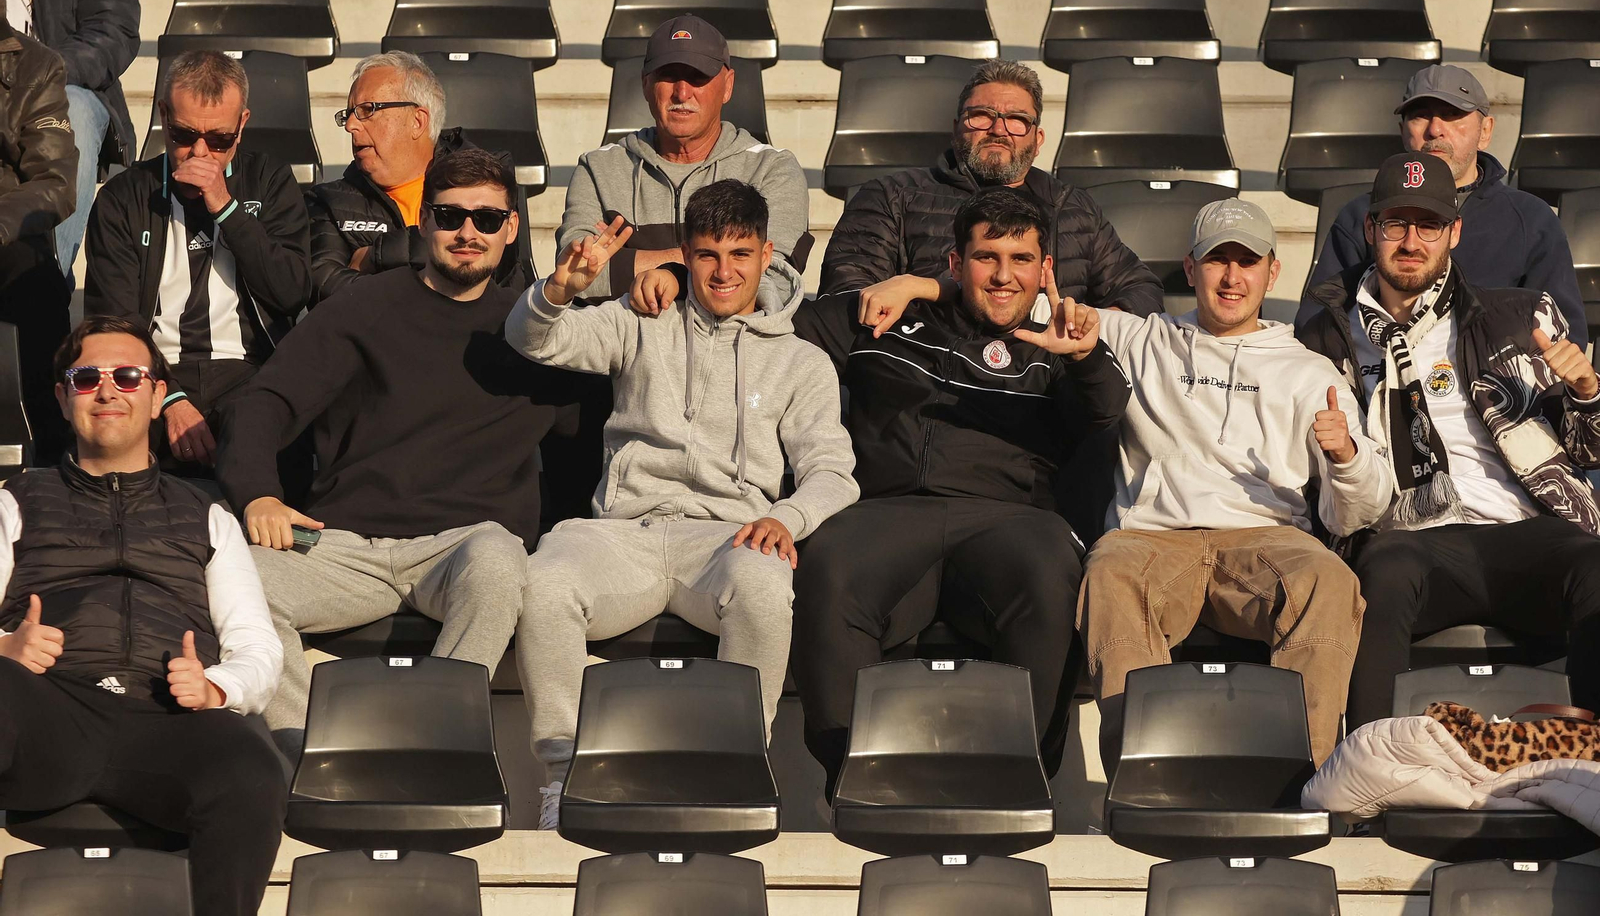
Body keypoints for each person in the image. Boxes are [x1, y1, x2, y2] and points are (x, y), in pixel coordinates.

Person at [507, 178, 859, 828]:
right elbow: (536, 341)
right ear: (685, 256)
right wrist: (560, 288)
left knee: (763, 588)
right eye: (707, 255)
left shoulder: (802, 361)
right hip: (623, 531)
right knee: (546, 580)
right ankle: (563, 777)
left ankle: (736, 771)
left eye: (740, 254)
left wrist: (785, 518)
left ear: (767, 254)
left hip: (730, 536)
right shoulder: (641, 320)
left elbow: (833, 472)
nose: (724, 271)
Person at [215, 148, 576, 758]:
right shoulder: (363, 306)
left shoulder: (540, 330)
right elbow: (263, 403)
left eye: (488, 219)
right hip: (343, 543)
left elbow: (604, 427)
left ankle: (431, 746)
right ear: (423, 222)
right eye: (450, 215)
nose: (468, 233)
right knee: (233, 577)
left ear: (512, 227)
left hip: (462, 550)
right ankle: (311, 756)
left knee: (496, 560)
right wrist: (258, 494)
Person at [784, 187, 1130, 795]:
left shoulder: (1059, 345)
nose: (1003, 276)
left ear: (1045, 269)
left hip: (1009, 521)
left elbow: (1105, 410)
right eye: (985, 258)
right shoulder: (886, 315)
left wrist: (1084, 358)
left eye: (1021, 260)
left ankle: (1020, 782)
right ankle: (853, 781)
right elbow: (767, 317)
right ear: (953, 263)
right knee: (830, 565)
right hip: (888, 513)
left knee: (1050, 572)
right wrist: (682, 275)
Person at [1079, 197, 1391, 772]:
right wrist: (923, 289)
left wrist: (1345, 455)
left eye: (1247, 261)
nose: (1231, 277)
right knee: (1109, 572)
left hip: (1265, 539)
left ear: (1272, 271)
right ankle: (1142, 776)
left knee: (1328, 580)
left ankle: (1299, 780)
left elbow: (1360, 512)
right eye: (1217, 260)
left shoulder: (1308, 371)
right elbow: (1016, 301)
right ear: (1191, 268)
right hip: (1153, 538)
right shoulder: (1141, 337)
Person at [1298, 152, 1600, 730]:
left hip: (1520, 527)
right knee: (1382, 572)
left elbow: (1589, 453)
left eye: (1429, 226)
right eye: (1395, 225)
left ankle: (1589, 775)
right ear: (1370, 230)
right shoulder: (1324, 339)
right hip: (1410, 538)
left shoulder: (1520, 317)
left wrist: (1586, 391)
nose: (1412, 241)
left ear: (1454, 233)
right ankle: (1370, 772)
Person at [0, 315, 284, 916]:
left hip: (166, 724)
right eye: (86, 378)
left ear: (158, 395)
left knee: (252, 766)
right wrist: (4, 650)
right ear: (62, 397)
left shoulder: (210, 516)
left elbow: (258, 648)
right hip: (50, 713)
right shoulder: (15, 500)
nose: (108, 391)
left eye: (128, 376)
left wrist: (214, 687)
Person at [82, 50, 310, 481]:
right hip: (153, 371)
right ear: (163, 116)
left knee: (263, 428)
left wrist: (226, 208)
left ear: (242, 125)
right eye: (185, 135)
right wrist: (169, 399)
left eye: (220, 140)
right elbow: (114, 322)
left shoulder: (271, 181)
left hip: (249, 369)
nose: (201, 153)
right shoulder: (123, 197)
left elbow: (292, 291)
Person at [820, 57, 1162, 315]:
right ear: (956, 129)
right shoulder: (891, 197)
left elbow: (1140, 289)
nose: (998, 130)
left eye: (1016, 120)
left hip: (1047, 386)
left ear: (1037, 138)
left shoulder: (1073, 207)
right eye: (981, 115)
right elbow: (848, 296)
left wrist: (1098, 322)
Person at [1296, 64, 1585, 337]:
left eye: (1451, 114)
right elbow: (1317, 323)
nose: (1435, 130)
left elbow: (1562, 332)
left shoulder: (1531, 219)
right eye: (1420, 115)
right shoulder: (1362, 213)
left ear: (1485, 131)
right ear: (1402, 131)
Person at [556, 14, 810, 301]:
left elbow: (774, 283)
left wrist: (638, 264)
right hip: (621, 343)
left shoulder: (772, 169)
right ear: (645, 84)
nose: (682, 92)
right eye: (668, 75)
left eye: (697, 76)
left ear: (727, 86)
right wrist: (711, 263)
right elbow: (576, 275)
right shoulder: (598, 169)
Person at [307, 51, 533, 304]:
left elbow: (489, 272)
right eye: (348, 113)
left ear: (417, 121)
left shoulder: (488, 180)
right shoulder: (329, 202)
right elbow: (325, 290)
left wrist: (377, 255)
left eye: (367, 110)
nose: (350, 125)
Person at [6, 0, 140, 282]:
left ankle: (43, 286)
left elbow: (115, 23)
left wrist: (43, 75)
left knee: (75, 112)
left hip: (58, 83)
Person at [0, 0, 76, 464]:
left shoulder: (35, 66)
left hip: (5, 230)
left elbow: (55, 181)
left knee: (38, 280)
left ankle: (54, 452)